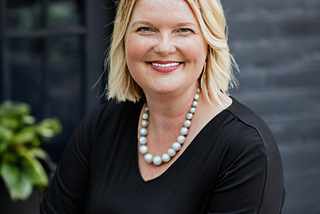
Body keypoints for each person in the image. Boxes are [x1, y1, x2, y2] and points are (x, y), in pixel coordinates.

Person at [40, 0, 285, 213]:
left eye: (183, 30)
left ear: (209, 42)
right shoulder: (99, 127)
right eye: (146, 29)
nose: (164, 47)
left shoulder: (246, 149)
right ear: (124, 38)